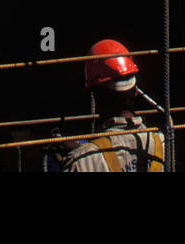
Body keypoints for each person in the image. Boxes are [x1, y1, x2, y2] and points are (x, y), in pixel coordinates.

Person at [62, 39, 165, 173]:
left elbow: (93, 160)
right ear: (135, 91)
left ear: (95, 95)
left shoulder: (81, 162)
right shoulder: (162, 144)